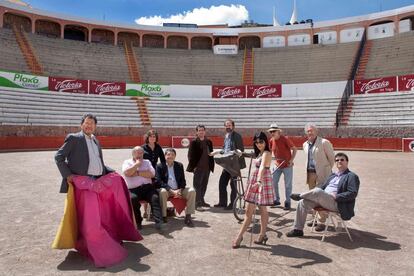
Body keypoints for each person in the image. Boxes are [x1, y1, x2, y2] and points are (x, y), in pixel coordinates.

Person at [54, 113, 142, 268]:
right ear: (81, 124)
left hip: (97, 182)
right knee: (90, 219)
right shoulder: (74, 138)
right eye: (86, 123)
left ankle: (98, 240)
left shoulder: (96, 140)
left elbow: (99, 163)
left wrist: (112, 172)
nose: (88, 126)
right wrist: (67, 175)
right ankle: (93, 247)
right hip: (83, 184)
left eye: (91, 123)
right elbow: (59, 157)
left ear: (95, 126)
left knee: (100, 215)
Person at [286, 152, 360, 237]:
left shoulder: (351, 176)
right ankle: (298, 229)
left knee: (317, 191)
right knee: (302, 203)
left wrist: (337, 196)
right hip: (324, 199)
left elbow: (353, 193)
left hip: (337, 203)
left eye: (342, 160)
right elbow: (323, 187)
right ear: (335, 163)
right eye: (337, 160)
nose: (339, 161)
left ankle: (300, 195)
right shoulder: (332, 175)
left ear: (347, 162)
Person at [232, 132, 274, 249]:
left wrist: (259, 181)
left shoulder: (266, 153)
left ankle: (258, 235)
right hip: (255, 182)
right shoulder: (258, 153)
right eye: (256, 142)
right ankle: (243, 236)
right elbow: (251, 156)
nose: (259, 144)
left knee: (262, 209)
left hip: (261, 182)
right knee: (249, 211)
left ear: (265, 142)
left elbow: (261, 168)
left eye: (261, 141)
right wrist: (241, 153)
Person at [122, 146, 164, 230]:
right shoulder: (127, 162)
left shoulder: (147, 162)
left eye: (141, 153)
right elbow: (127, 173)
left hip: (147, 188)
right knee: (133, 199)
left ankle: (158, 222)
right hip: (133, 189)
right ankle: (138, 221)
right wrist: (137, 165)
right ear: (133, 154)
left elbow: (152, 174)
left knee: (155, 198)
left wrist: (136, 173)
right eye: (137, 153)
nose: (140, 155)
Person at [303, 123, 335, 230]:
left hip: (323, 174)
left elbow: (331, 159)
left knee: (321, 197)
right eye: (308, 131)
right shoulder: (305, 144)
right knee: (312, 197)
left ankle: (321, 221)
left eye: (311, 130)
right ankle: (314, 219)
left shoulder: (324, 142)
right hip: (310, 174)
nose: (309, 132)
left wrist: (326, 170)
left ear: (317, 131)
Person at [156, 148, 196, 227]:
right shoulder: (160, 166)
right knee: (162, 192)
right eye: (168, 155)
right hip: (167, 190)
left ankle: (188, 216)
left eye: (172, 155)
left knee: (192, 191)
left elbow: (183, 180)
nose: (170, 156)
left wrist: (180, 190)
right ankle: (164, 216)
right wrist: (171, 191)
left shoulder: (179, 165)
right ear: (165, 156)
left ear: (175, 156)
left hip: (178, 190)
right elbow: (159, 182)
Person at [215, 119, 246, 210]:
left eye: (229, 125)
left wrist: (233, 153)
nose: (228, 127)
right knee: (222, 183)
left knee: (233, 185)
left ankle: (232, 204)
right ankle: (222, 202)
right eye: (226, 125)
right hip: (226, 163)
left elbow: (240, 149)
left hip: (234, 164)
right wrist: (219, 152)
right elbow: (225, 148)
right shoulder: (226, 136)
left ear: (233, 126)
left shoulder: (237, 136)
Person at [267, 123, 297, 210]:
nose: (272, 133)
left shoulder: (285, 139)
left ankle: (288, 202)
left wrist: (291, 160)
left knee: (288, 185)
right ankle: (277, 199)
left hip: (287, 165)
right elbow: (268, 152)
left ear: (278, 131)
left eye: (274, 131)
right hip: (277, 165)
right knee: (273, 182)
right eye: (271, 131)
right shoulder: (271, 140)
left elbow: (294, 149)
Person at [187, 124, 215, 210]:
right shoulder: (194, 142)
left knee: (204, 185)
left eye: (202, 130)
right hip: (198, 167)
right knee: (197, 186)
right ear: (197, 132)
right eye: (199, 130)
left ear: (205, 131)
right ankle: (197, 204)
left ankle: (202, 201)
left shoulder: (209, 142)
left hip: (207, 167)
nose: (201, 132)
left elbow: (211, 153)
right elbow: (190, 155)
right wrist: (194, 167)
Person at [141, 129, 166, 217]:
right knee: (146, 188)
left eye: (154, 136)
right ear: (147, 137)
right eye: (151, 136)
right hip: (145, 171)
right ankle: (145, 211)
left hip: (155, 172)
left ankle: (151, 211)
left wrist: (162, 169)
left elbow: (163, 160)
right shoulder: (143, 147)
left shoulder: (158, 147)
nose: (152, 138)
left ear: (156, 138)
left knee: (153, 190)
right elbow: (139, 160)